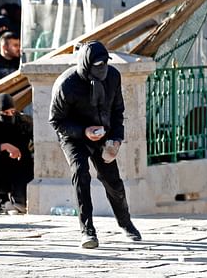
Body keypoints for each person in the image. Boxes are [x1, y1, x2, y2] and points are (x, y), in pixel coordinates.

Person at [49, 41, 141, 248]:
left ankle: (126, 224)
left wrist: (116, 139)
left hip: (102, 134)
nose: (101, 69)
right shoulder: (67, 84)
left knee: (113, 181)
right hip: (74, 137)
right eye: (96, 65)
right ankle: (87, 230)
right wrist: (83, 131)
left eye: (104, 64)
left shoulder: (113, 76)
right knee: (81, 174)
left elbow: (118, 111)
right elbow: (56, 121)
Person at [0, 93, 34, 213]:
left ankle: (19, 199)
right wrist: (3, 147)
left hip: (18, 164)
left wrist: (20, 151)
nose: (9, 115)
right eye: (5, 113)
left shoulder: (23, 121)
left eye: (12, 112)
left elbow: (37, 142)